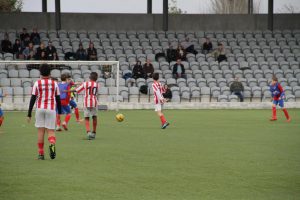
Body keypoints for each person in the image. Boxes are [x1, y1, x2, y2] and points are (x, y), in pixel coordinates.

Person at [27, 64, 62, 160]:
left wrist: (29, 113)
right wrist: (59, 112)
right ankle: (52, 144)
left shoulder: (37, 83)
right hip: (51, 109)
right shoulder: (54, 83)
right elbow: (58, 98)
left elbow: (33, 98)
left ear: (40, 73)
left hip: (40, 109)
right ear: (50, 73)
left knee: (40, 131)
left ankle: (41, 154)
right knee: (50, 131)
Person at [74, 72, 99, 139]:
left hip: (87, 102)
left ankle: (88, 132)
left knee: (86, 118)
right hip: (94, 102)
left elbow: (77, 90)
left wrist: (68, 91)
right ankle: (94, 132)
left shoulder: (86, 83)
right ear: (96, 78)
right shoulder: (97, 84)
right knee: (94, 117)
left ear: (90, 77)